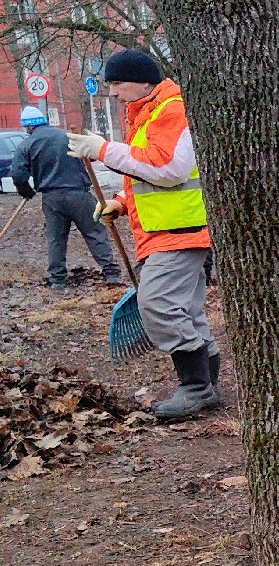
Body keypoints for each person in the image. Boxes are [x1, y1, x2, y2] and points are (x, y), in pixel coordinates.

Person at [65, 49, 222, 421]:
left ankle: (196, 388)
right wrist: (120, 201)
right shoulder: (146, 112)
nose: (114, 92)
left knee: (158, 305)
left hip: (180, 230)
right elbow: (148, 170)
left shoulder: (171, 109)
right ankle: (207, 386)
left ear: (141, 79)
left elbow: (169, 169)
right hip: (165, 229)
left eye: (117, 83)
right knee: (186, 309)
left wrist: (103, 149)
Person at [7, 105, 123, 289]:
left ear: (28, 127)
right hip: (79, 194)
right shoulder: (66, 136)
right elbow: (89, 155)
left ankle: (57, 279)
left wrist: (27, 192)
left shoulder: (26, 145)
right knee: (95, 233)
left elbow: (18, 175)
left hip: (52, 198)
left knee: (56, 238)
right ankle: (112, 273)